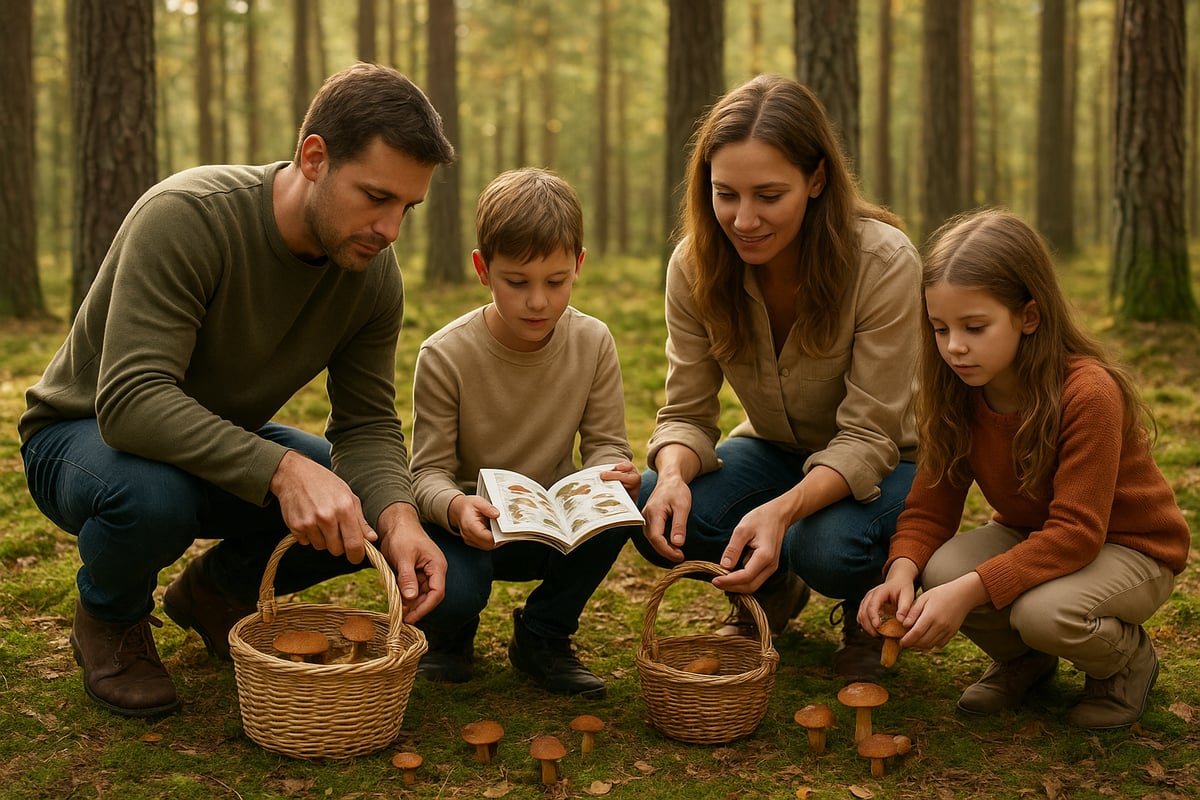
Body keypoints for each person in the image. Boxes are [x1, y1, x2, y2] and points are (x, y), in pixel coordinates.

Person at [18, 63, 455, 718]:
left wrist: (397, 518)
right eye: (374, 196)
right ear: (314, 158)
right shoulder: (188, 217)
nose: (390, 228)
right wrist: (282, 471)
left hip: (212, 444)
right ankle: (109, 619)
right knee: (152, 497)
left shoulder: (370, 274)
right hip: (83, 437)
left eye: (406, 208)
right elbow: (132, 399)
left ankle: (218, 593)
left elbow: (365, 425)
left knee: (364, 497)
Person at [634, 74, 922, 681]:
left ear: (817, 179)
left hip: (895, 460)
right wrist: (671, 476)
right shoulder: (694, 265)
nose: (743, 219)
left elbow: (870, 436)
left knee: (824, 545)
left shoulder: (883, 261)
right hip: (776, 450)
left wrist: (783, 513)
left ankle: (865, 611)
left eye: (769, 195)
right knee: (648, 506)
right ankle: (774, 588)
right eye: (725, 194)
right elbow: (686, 414)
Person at [858, 209, 1189, 729]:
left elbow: (1078, 533)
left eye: (975, 327)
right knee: (940, 569)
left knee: (1042, 613)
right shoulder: (957, 389)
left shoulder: (1087, 392)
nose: (954, 347)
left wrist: (968, 592)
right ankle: (1025, 660)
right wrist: (901, 571)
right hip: (1036, 533)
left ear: (1028, 317)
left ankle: (1126, 661)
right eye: (940, 329)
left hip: (1130, 546)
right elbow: (931, 505)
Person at [408, 168, 638, 699]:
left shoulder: (593, 341)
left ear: (578, 266)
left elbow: (606, 442)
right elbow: (426, 474)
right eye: (518, 282)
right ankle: (448, 634)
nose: (537, 302)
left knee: (633, 493)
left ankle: (543, 636)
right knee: (457, 592)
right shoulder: (445, 355)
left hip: (554, 527)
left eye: (555, 282)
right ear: (482, 270)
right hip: (470, 530)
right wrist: (454, 508)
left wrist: (610, 472)